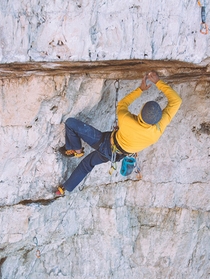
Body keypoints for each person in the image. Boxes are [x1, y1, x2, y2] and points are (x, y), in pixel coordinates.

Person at [54, 71, 182, 197]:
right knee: (87, 165)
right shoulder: (157, 131)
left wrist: (143, 88)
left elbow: (123, 104)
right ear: (158, 119)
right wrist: (159, 83)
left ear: (141, 111)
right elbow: (176, 101)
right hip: (116, 155)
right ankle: (64, 189)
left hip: (104, 142)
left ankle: (75, 149)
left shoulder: (126, 120)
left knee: (70, 123)